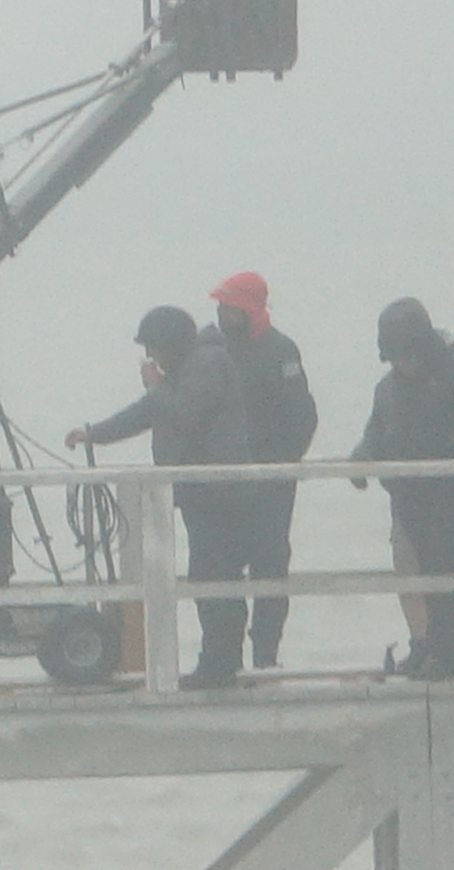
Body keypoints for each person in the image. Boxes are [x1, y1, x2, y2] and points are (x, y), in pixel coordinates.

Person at [66, 305, 252, 689]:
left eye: (154, 348)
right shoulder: (184, 371)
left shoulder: (207, 363)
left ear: (172, 344)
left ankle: (221, 664)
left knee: (215, 576)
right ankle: (219, 662)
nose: (151, 357)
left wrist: (154, 385)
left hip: (219, 492)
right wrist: (94, 433)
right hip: (200, 493)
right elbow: (147, 413)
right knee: (209, 575)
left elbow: (186, 415)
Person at [207, 272, 317, 669]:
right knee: (221, 570)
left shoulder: (281, 350)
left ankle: (265, 657)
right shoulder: (210, 348)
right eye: (218, 306)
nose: (220, 314)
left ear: (249, 310)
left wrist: (282, 467)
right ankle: (224, 658)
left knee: (270, 569)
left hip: (270, 484)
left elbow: (303, 416)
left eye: (228, 307)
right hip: (224, 485)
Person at [348, 298, 454, 681]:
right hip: (409, 502)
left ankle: (444, 653)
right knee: (423, 581)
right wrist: (360, 461)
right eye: (394, 357)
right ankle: (429, 648)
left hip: (446, 499)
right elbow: (377, 433)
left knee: (446, 579)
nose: (400, 364)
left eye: (406, 355)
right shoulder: (388, 388)